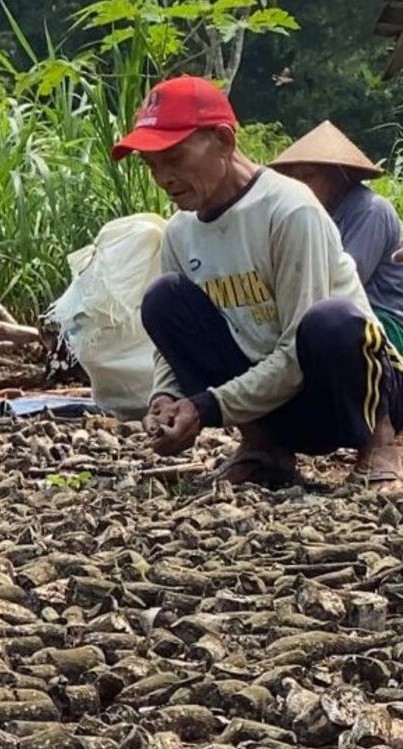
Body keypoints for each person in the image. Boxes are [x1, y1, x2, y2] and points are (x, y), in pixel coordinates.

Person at [112, 76, 403, 488]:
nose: (163, 177)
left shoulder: (289, 210)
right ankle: (264, 448)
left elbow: (297, 345)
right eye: (152, 164)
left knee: (331, 320)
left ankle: (381, 439)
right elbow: (170, 348)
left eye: (174, 158)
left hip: (342, 390)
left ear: (224, 141)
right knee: (163, 299)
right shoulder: (181, 232)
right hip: (272, 401)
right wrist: (166, 398)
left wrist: (208, 406)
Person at [270, 121, 403, 352]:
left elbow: (342, 283)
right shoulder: (314, 214)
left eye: (308, 177)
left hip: (384, 320)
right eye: (295, 178)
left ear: (337, 176)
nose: (300, 186)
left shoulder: (370, 210)